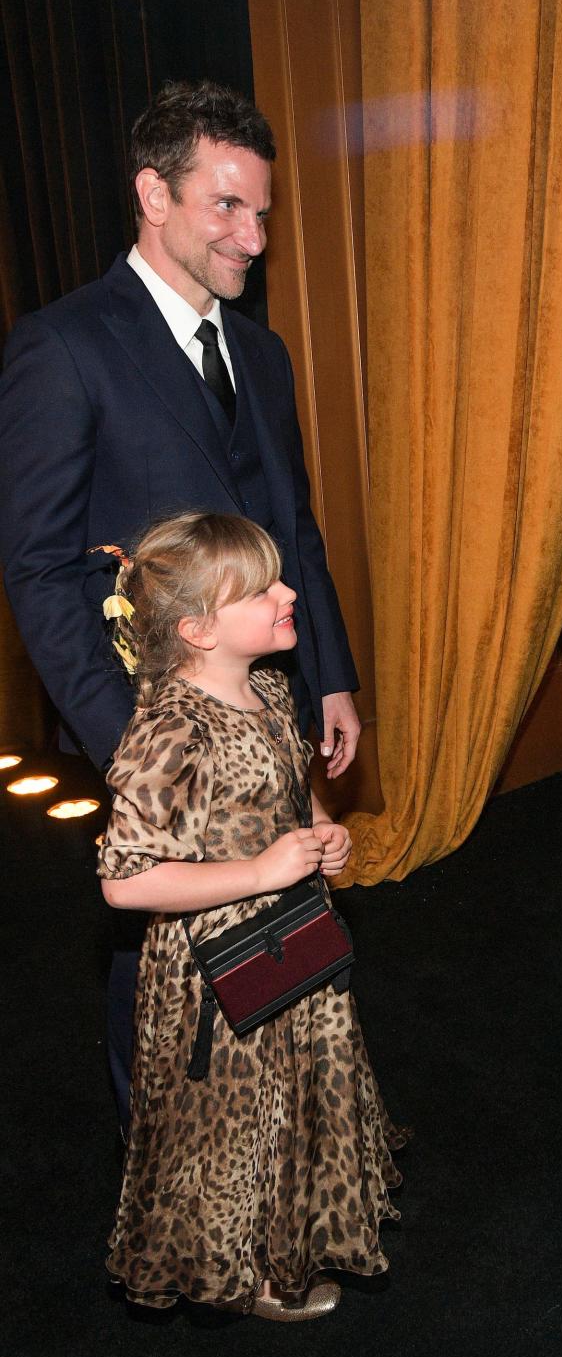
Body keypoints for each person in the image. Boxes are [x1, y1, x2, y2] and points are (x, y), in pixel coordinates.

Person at [0, 80, 361, 1128]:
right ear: (153, 195)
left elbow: (295, 528)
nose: (253, 237)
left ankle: (268, 1162)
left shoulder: (263, 351)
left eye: (262, 212)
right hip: (158, 730)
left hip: (274, 705)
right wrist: (134, 747)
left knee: (277, 943)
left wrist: (330, 673)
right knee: (164, 972)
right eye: (228, 207)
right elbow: (41, 568)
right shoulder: (62, 347)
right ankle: (168, 1186)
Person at [98, 511, 407, 1318]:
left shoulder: (271, 691)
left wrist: (317, 834)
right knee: (236, 1127)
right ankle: (248, 1273)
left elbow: (288, 789)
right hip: (215, 970)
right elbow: (124, 883)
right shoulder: (168, 731)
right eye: (262, 588)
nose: (289, 591)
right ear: (199, 629)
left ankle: (297, 1236)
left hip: (293, 937)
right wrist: (260, 869)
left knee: (295, 1098)